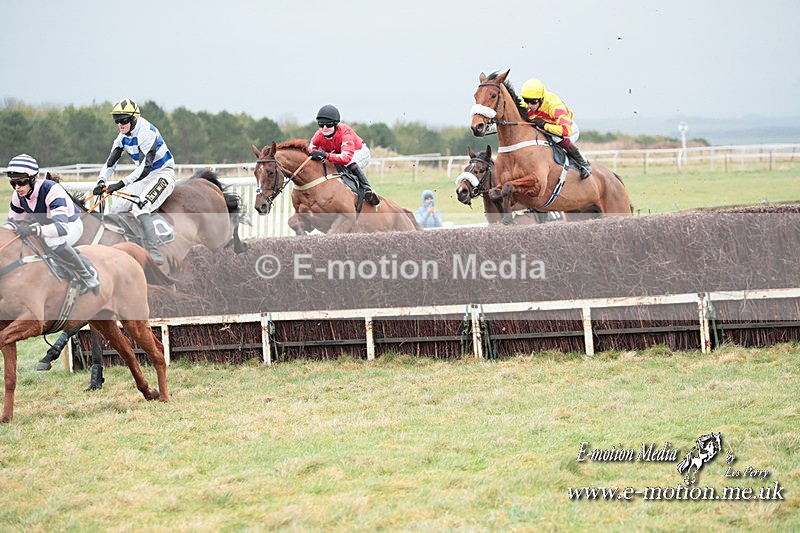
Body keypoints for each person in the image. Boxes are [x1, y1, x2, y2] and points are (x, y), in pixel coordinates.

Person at [93, 98, 175, 265]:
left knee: (141, 206)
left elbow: (146, 166)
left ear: (134, 118)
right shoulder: (122, 136)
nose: (120, 124)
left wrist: (121, 184)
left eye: (123, 120)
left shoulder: (146, 132)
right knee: (117, 207)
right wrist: (101, 180)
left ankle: (153, 252)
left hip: (162, 174)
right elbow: (111, 161)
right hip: (144, 178)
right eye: (117, 120)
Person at [3, 154, 100, 291]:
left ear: (32, 179)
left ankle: (87, 274)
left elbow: (61, 228)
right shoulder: (18, 196)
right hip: (47, 227)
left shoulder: (51, 190)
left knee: (51, 241)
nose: (17, 187)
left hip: (71, 226)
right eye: (13, 183)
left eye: (21, 182)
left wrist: (33, 230)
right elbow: (11, 223)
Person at [519, 79, 593, 179]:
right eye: (526, 101)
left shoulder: (554, 105)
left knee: (557, 138)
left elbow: (566, 131)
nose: (529, 105)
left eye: (533, 102)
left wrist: (544, 125)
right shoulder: (528, 105)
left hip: (568, 130)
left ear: (541, 98)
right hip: (546, 130)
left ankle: (584, 163)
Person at [308, 104, 380, 206]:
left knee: (349, 162)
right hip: (340, 154)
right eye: (321, 124)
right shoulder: (318, 134)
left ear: (335, 124)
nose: (324, 128)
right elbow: (310, 150)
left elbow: (345, 158)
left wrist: (325, 155)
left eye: (328, 125)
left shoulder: (345, 133)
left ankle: (368, 189)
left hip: (359, 153)